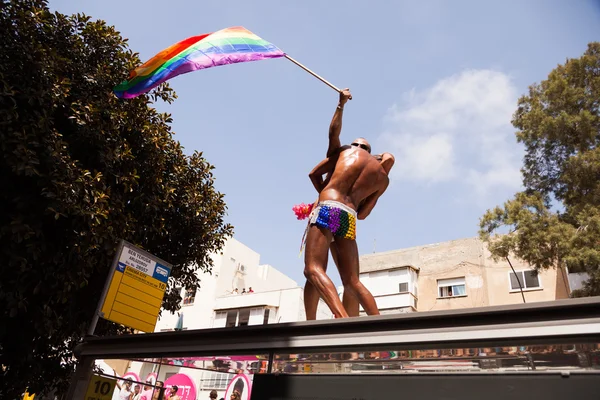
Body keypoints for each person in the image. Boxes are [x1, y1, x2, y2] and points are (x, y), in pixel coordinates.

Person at [302, 88, 395, 319]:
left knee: (313, 269)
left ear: (355, 146)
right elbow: (363, 214)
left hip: (328, 208)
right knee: (353, 281)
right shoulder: (382, 178)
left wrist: (341, 104)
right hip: (349, 218)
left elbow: (328, 144)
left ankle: (342, 321)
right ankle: (383, 331)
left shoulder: (344, 153)